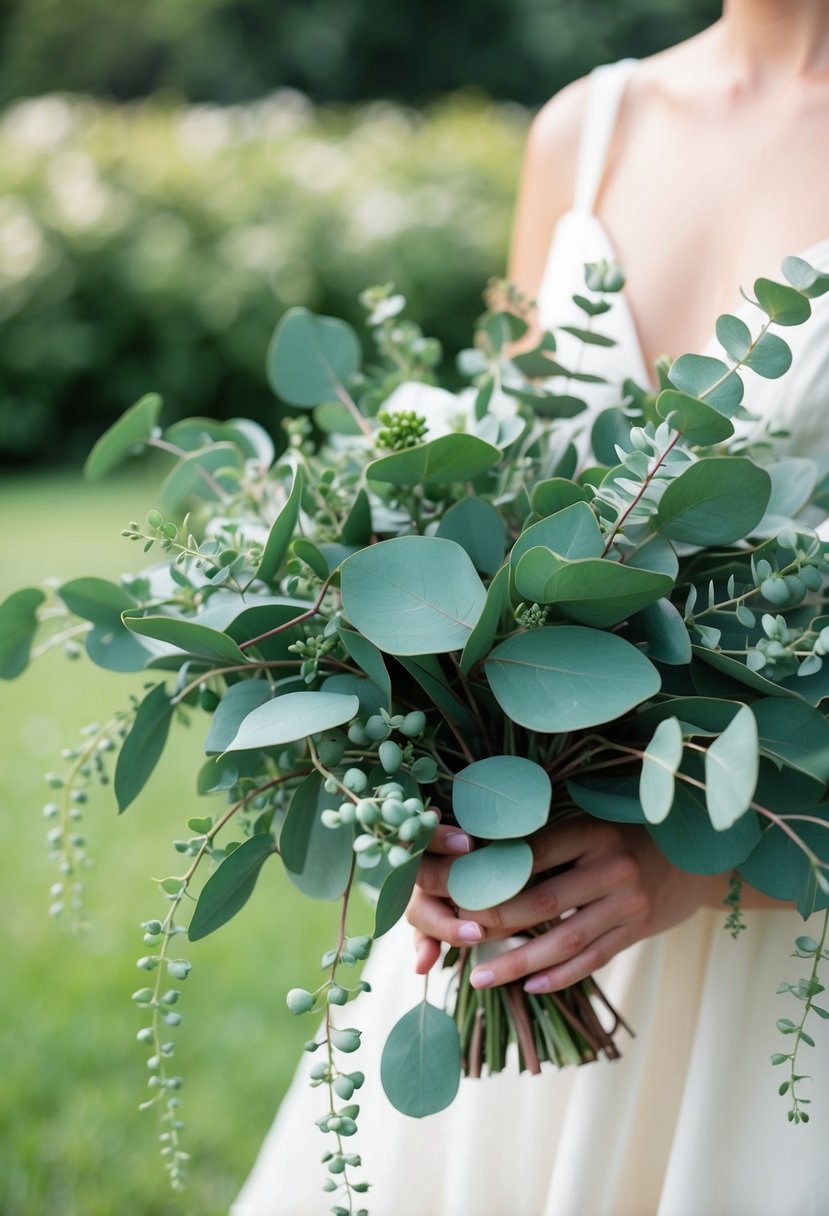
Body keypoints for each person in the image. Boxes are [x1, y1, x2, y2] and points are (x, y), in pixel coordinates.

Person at [233, 5, 829, 1213]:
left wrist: (693, 866)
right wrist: (433, 786)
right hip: (527, 939)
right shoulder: (587, 129)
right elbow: (490, 498)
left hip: (784, 939)